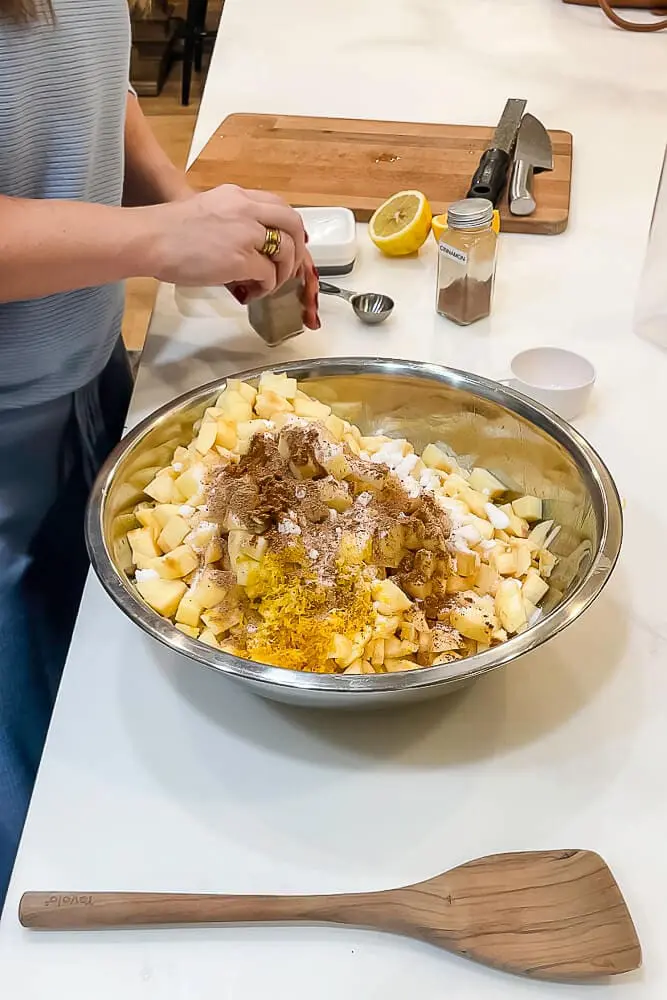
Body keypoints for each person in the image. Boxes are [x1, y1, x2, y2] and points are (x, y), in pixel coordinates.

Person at [0, 0, 320, 909]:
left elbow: (92, 76)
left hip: (78, 371)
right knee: (36, 788)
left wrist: (181, 207)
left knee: (100, 689)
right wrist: (152, 241)